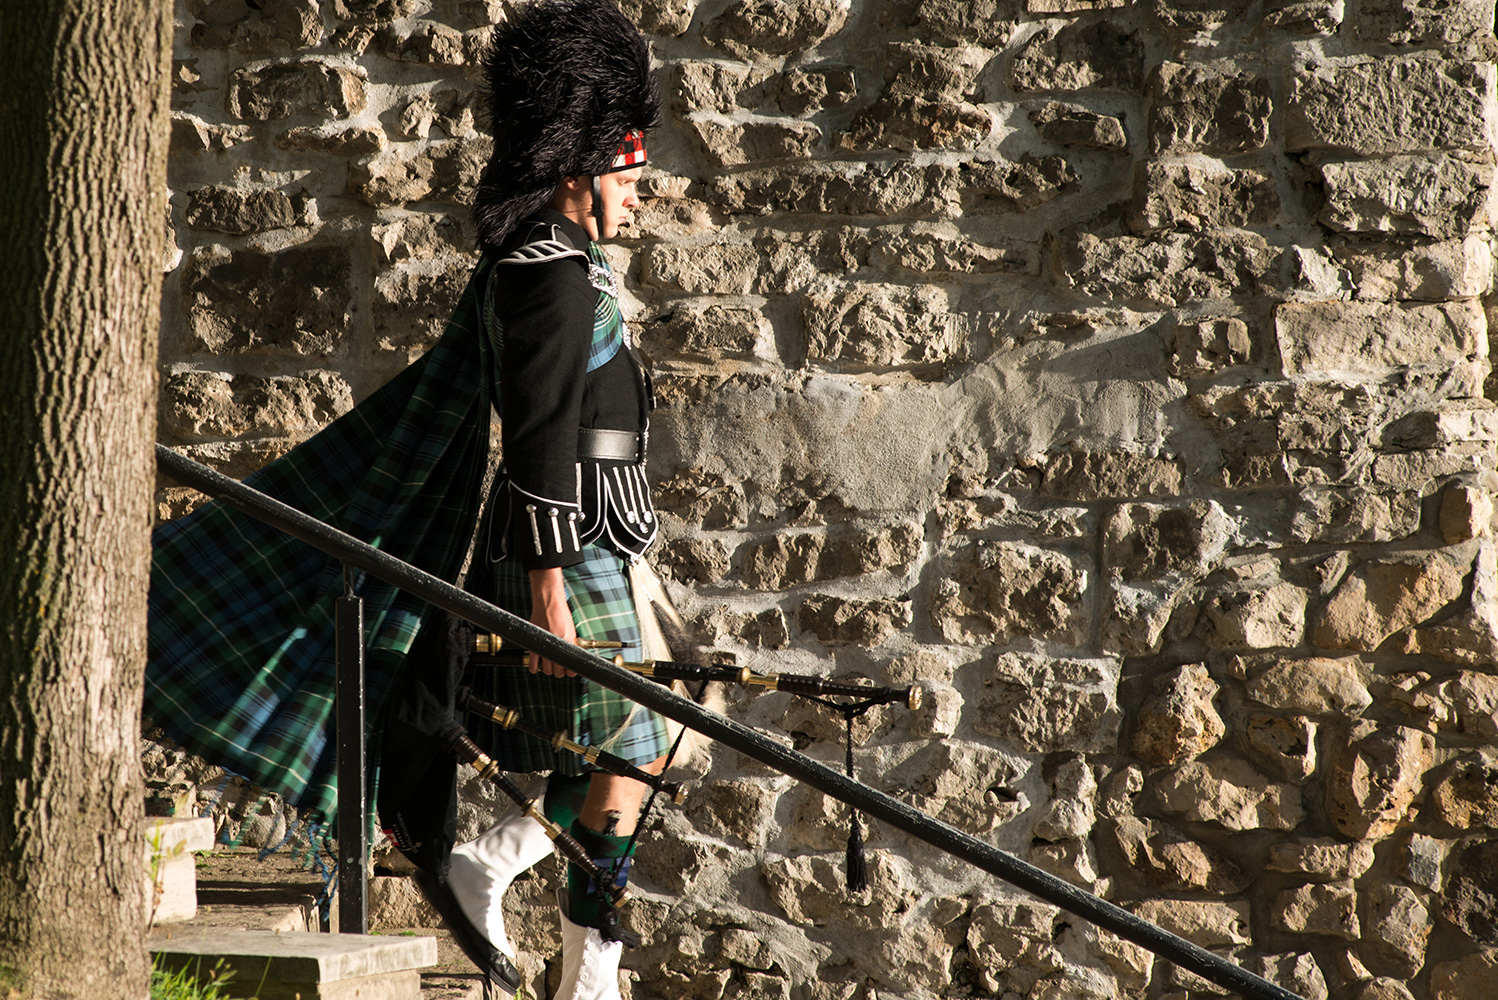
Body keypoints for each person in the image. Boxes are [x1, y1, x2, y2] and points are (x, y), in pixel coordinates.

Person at [145, 3, 679, 998]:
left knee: (636, 738)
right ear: (579, 166)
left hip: (603, 537)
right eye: (628, 169)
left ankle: (523, 896)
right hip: (567, 549)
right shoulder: (550, 276)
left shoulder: (560, 259)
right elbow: (539, 436)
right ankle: (578, 960)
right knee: (634, 743)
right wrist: (549, 593)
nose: (641, 189)